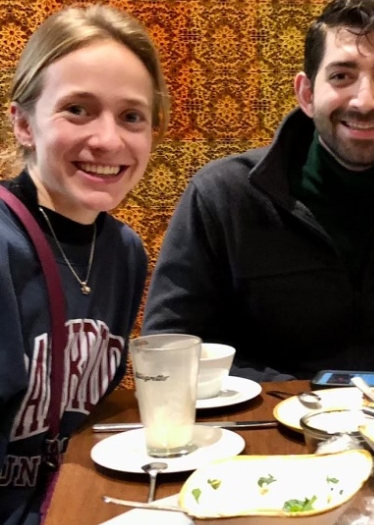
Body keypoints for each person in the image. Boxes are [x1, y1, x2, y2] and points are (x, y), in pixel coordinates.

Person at [142, 0, 374, 380]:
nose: (364, 101)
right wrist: (306, 399)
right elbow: (174, 345)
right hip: (270, 422)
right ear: (306, 93)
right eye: (341, 76)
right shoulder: (222, 195)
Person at [0, 4, 169, 524]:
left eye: (131, 117)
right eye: (77, 109)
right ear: (24, 122)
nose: (109, 140)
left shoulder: (124, 252)